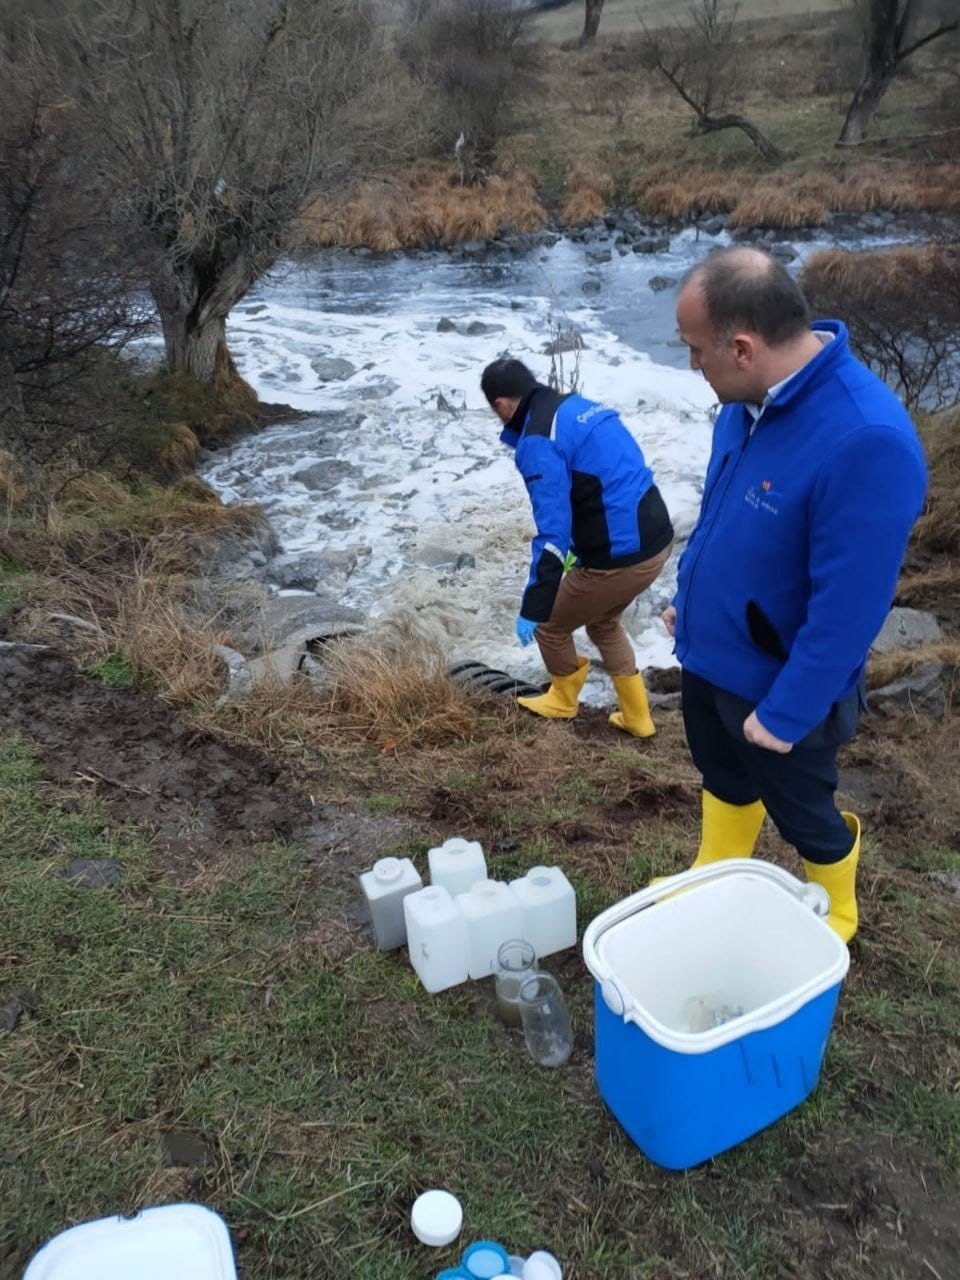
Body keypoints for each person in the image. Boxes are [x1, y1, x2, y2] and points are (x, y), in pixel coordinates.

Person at [666, 246, 927, 941]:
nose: (694, 366)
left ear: (743, 347)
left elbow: (852, 608)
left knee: (802, 806)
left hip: (781, 686)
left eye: (696, 350)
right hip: (709, 657)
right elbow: (725, 513)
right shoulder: (743, 403)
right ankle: (716, 866)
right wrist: (687, 599)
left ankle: (838, 907)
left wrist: (787, 713)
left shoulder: (866, 440)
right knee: (721, 773)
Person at [480, 357, 674, 737]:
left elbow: (552, 533)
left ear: (502, 405)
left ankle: (563, 701)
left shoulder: (537, 442)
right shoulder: (576, 406)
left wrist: (534, 604)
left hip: (620, 556)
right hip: (656, 538)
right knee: (603, 624)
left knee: (550, 625)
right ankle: (638, 717)